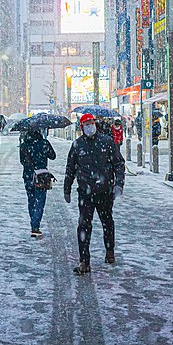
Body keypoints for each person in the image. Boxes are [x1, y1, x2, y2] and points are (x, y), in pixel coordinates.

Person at [63, 113, 126, 275]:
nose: (89, 126)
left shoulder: (106, 142)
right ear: (82, 127)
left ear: (95, 124)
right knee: (84, 225)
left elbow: (119, 163)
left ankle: (110, 251)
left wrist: (119, 184)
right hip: (85, 192)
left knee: (107, 222)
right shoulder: (77, 145)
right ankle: (84, 261)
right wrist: (67, 189)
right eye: (86, 124)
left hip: (105, 191)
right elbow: (70, 168)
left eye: (91, 123)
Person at [20, 129, 56, 237]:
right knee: (40, 200)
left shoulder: (24, 145)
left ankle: (33, 222)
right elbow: (53, 156)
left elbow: (22, 161)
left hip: (28, 175)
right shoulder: (44, 143)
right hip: (41, 175)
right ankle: (35, 226)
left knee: (31, 199)